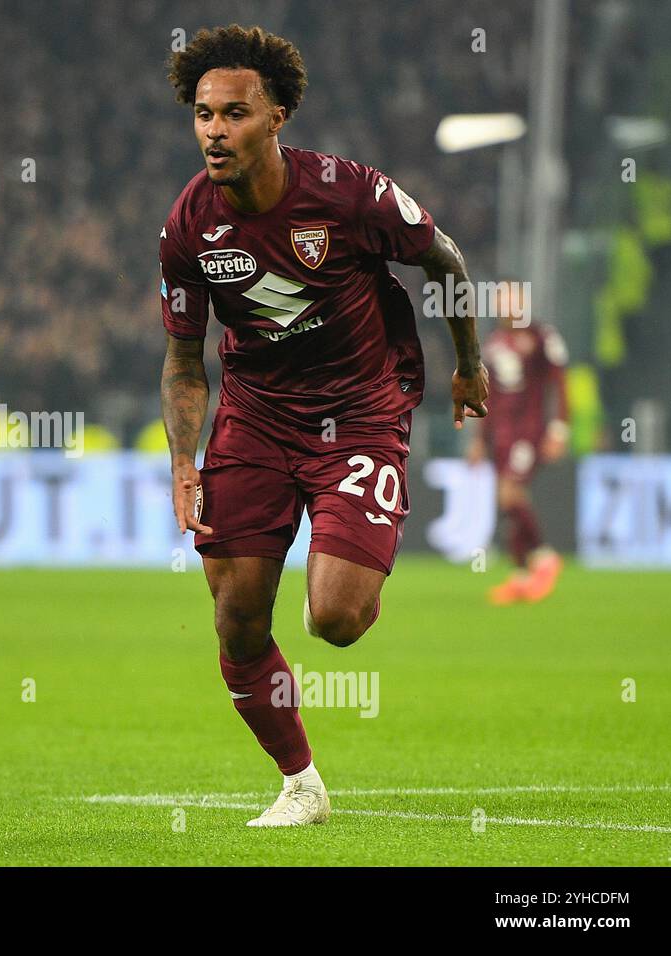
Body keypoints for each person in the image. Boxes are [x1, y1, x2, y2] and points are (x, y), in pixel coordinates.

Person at [158, 25, 489, 826]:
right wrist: (184, 463)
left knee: (338, 622)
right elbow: (181, 360)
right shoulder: (187, 226)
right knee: (237, 618)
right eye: (203, 114)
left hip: (362, 410)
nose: (214, 131)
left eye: (233, 114)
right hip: (258, 418)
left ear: (277, 117)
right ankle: (300, 784)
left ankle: (334, 584)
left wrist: (468, 361)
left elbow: (443, 255)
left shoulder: (349, 194)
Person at [467, 281, 569, 604]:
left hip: (530, 431)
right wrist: (480, 439)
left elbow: (559, 385)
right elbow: (489, 397)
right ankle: (522, 575)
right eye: (501, 300)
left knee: (510, 492)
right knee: (507, 500)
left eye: (511, 299)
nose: (506, 306)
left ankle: (543, 555)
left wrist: (559, 429)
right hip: (503, 435)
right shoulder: (495, 344)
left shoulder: (541, 337)